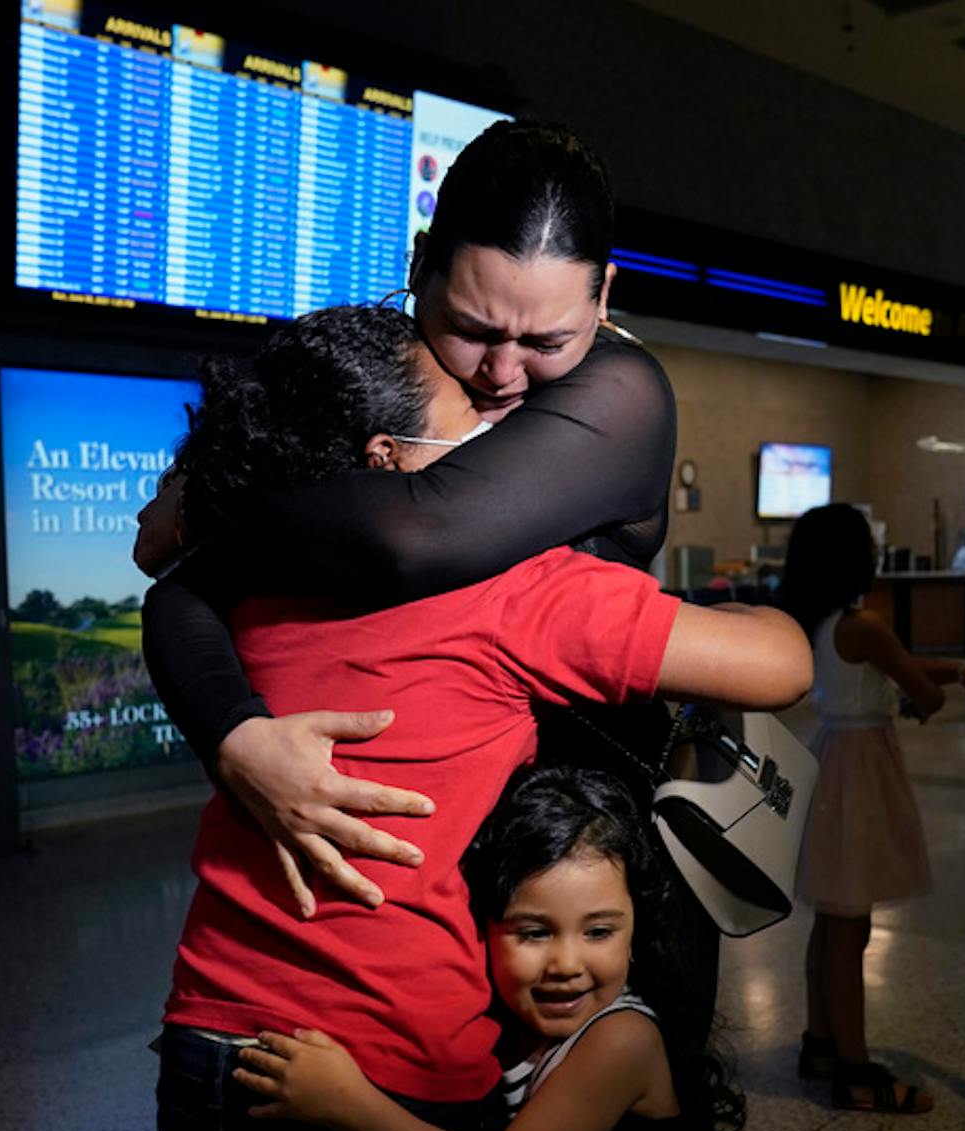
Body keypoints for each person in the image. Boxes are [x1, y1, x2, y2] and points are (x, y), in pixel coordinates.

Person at [149, 304, 811, 1131]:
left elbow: (165, 570)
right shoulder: (509, 589)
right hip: (382, 1071)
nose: (502, 413)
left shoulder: (254, 579)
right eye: (468, 401)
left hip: (210, 1052)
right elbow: (782, 664)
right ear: (392, 459)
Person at [140, 120, 675, 918]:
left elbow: (411, 536)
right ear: (419, 262)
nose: (502, 374)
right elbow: (182, 589)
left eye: (547, 340)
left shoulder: (621, 396)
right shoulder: (373, 386)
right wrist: (235, 738)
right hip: (402, 881)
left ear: (603, 297)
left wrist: (216, 486)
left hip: (575, 871)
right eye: (472, 328)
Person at [235, 766, 776, 1131]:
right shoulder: (501, 1030)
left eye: (598, 931)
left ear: (635, 932)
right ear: (484, 929)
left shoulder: (620, 1040)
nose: (566, 963)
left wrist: (347, 1103)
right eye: (533, 932)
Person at [777, 503, 965, 1113]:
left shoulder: (823, 620)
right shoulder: (867, 623)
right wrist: (939, 690)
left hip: (832, 755)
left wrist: (962, 671)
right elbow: (917, 686)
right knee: (851, 923)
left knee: (832, 916)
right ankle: (856, 1073)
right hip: (861, 768)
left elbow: (893, 670)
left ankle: (821, 1043)